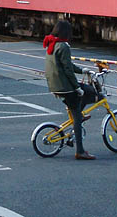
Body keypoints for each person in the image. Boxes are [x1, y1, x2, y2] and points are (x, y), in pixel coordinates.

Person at [44, 20, 95, 160]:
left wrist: (81, 70)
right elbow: (68, 69)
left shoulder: (52, 44)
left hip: (55, 85)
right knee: (90, 93)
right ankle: (80, 151)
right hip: (65, 87)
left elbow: (67, 65)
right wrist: (77, 87)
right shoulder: (64, 46)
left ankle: (79, 113)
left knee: (80, 102)